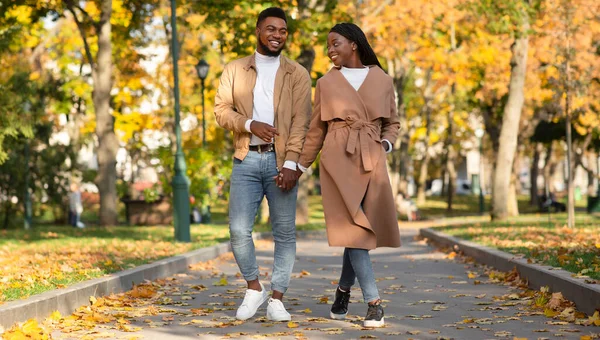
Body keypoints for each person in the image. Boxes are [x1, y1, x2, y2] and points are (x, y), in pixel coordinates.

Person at [294, 23, 401, 328]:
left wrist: (384, 143)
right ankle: (374, 303)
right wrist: (299, 166)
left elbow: (392, 122)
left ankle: (342, 292)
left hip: (372, 160)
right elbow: (316, 129)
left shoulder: (382, 79)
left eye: (335, 43)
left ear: (354, 44)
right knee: (354, 231)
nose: (330, 50)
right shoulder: (326, 83)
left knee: (357, 233)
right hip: (336, 160)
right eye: (328, 45)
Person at [214, 7, 312, 322]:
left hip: (281, 160)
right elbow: (221, 111)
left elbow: (301, 123)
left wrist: (293, 163)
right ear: (258, 30)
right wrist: (249, 124)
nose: (277, 35)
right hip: (246, 157)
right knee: (239, 230)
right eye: (271, 29)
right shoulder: (235, 69)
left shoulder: (297, 73)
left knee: (284, 232)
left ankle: (278, 299)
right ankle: (255, 288)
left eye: (282, 31)